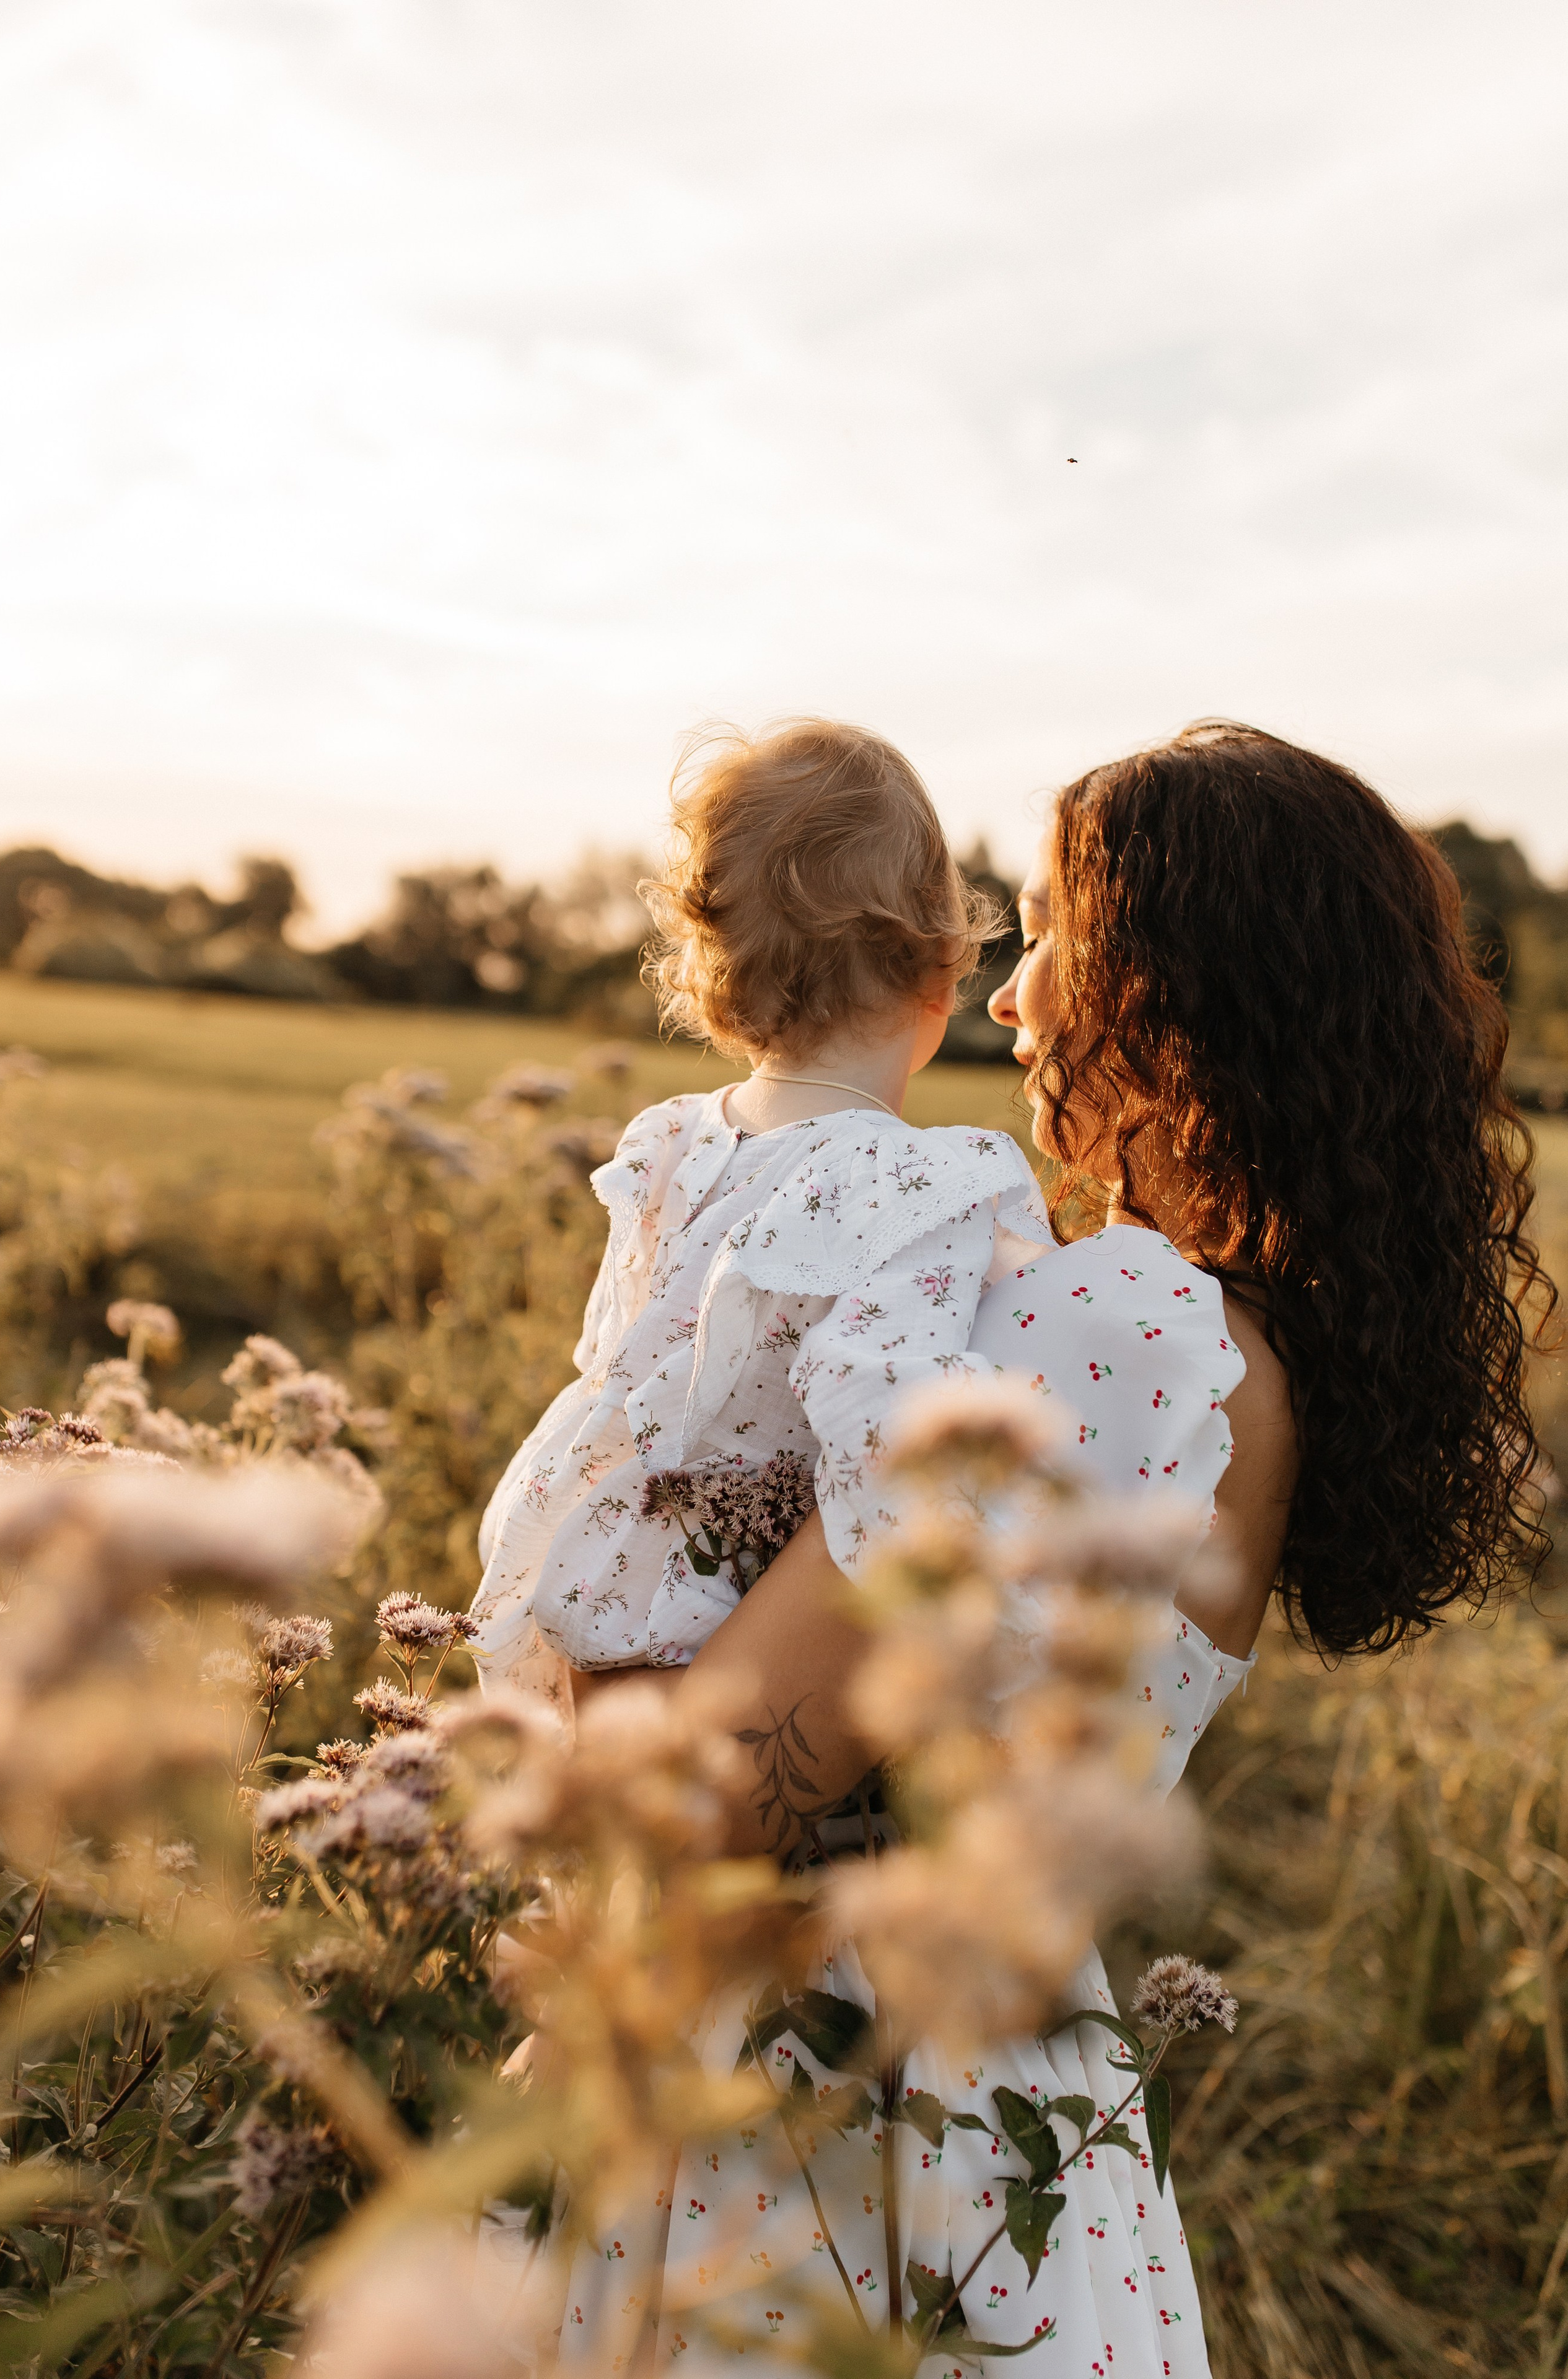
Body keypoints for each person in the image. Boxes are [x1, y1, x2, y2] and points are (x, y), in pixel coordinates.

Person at [523, 721, 1553, 2378]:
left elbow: (722, 1784)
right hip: (1013, 2124)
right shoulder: (1239, 1343)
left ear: (1174, 983)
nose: (1008, 993)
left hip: (817, 2109)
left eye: (1056, 932)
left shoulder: (1110, 1320)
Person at [471, 717, 1049, 1720]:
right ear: (944, 968)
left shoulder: (670, 1142)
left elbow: (610, 1352)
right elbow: (890, 1420)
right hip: (748, 1601)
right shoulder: (929, 1180)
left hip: (603, 1558)